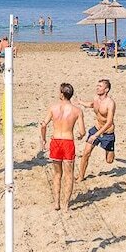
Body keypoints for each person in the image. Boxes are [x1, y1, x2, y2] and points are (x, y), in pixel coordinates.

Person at [41, 83, 85, 211]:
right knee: (69, 175)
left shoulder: (53, 108)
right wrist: (80, 136)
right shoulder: (77, 110)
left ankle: (56, 203)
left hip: (56, 141)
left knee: (57, 174)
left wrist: (43, 139)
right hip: (68, 141)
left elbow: (43, 125)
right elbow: (82, 131)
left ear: (61, 94)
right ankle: (65, 205)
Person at [75, 79, 116, 182]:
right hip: (96, 129)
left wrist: (96, 135)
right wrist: (81, 102)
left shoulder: (110, 103)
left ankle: (111, 151)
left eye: (100, 86)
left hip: (107, 133)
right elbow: (92, 105)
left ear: (106, 90)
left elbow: (109, 122)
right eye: (97, 86)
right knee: (86, 153)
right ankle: (81, 176)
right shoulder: (96, 98)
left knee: (109, 161)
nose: (97, 88)